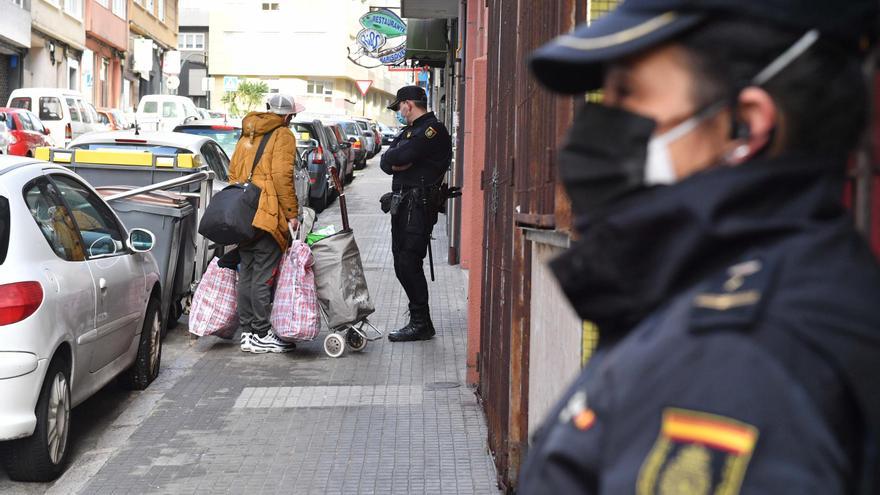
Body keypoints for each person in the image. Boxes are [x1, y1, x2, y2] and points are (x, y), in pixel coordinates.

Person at [518, 0, 880, 493]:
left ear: (744, 126)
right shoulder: (760, 287)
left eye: (628, 97)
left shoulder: (731, 359)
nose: (591, 132)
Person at [229, 93, 304, 354]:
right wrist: (292, 213)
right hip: (268, 213)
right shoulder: (283, 135)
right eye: (292, 116)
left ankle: (248, 333)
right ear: (287, 116)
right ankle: (261, 332)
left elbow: (232, 173)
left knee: (247, 272)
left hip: (244, 213)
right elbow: (283, 177)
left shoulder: (247, 133)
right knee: (263, 274)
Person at [380, 85, 452, 342]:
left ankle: (421, 322)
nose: (399, 112)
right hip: (403, 206)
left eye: (399, 106)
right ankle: (419, 319)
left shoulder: (432, 130)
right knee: (401, 263)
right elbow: (386, 161)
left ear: (408, 104)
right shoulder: (410, 131)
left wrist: (400, 159)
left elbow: (404, 154)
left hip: (418, 207)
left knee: (409, 262)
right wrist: (396, 160)